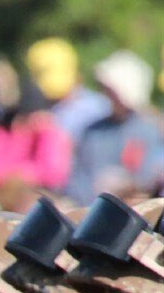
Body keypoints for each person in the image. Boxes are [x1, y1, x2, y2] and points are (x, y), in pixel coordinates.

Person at [65, 50, 164, 202]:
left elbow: (149, 175)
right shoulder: (93, 131)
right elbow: (78, 175)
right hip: (90, 207)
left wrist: (126, 185)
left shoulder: (149, 129)